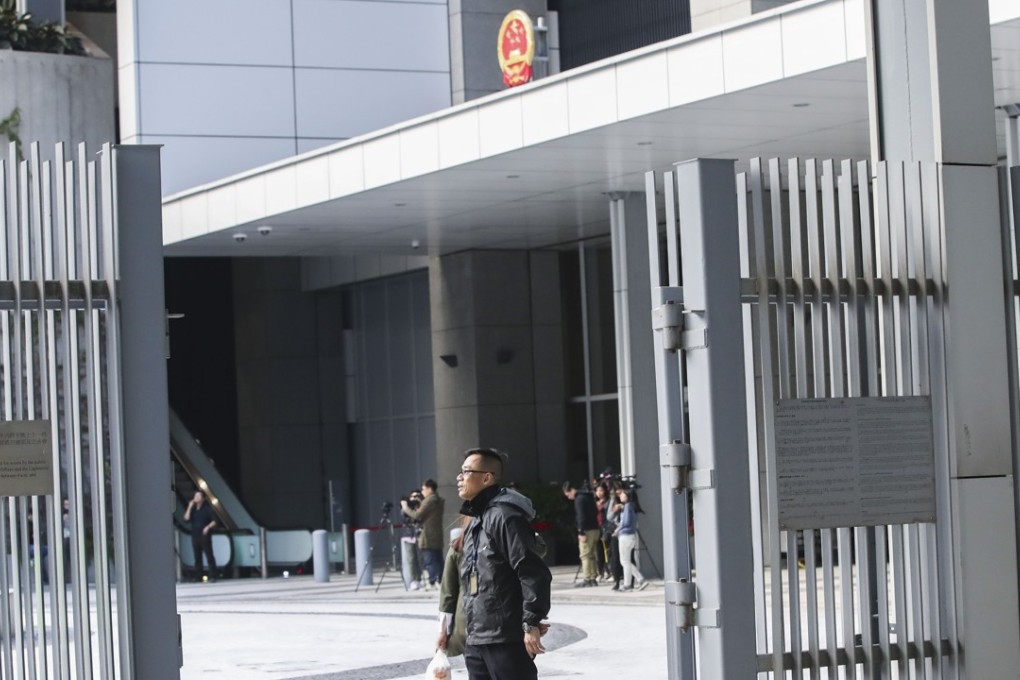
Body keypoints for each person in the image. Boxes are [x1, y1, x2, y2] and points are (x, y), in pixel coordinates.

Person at [458, 447, 552, 680]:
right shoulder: (477, 520)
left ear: (487, 477)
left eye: (466, 471)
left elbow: (532, 571)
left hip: (505, 640)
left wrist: (530, 622)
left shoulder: (503, 516)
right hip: (478, 639)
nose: (459, 477)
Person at [401, 479, 445, 589]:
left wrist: (406, 507)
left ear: (430, 489)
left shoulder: (429, 501)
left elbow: (417, 516)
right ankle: (440, 579)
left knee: (429, 560)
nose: (422, 492)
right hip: (436, 535)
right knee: (438, 559)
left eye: (423, 489)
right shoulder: (438, 500)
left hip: (428, 537)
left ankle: (433, 580)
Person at [437, 518, 471, 657]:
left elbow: (448, 594)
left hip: (466, 622)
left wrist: (443, 632)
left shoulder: (458, 546)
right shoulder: (503, 542)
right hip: (502, 625)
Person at [561, 480, 599, 587]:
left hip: (586, 530)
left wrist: (581, 532)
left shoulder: (579, 500)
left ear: (571, 490)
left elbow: (581, 517)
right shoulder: (589, 496)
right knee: (592, 555)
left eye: (568, 494)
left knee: (585, 555)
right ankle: (593, 577)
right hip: (595, 528)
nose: (568, 497)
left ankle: (588, 578)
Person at [614, 488, 648, 592]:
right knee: (626, 561)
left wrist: (618, 530)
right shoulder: (630, 506)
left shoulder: (628, 507)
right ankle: (640, 579)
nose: (620, 496)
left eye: (622, 494)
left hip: (625, 536)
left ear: (627, 496)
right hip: (630, 536)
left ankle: (627, 585)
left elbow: (626, 522)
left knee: (624, 561)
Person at [184, 490, 218, 581]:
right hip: (195, 535)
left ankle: (213, 575)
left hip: (204, 535)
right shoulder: (193, 509)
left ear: (203, 498)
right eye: (195, 496)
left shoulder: (207, 509)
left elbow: (215, 521)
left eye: (199, 496)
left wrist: (207, 527)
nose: (196, 498)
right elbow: (186, 519)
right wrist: (189, 506)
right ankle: (198, 575)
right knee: (197, 556)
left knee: (209, 555)